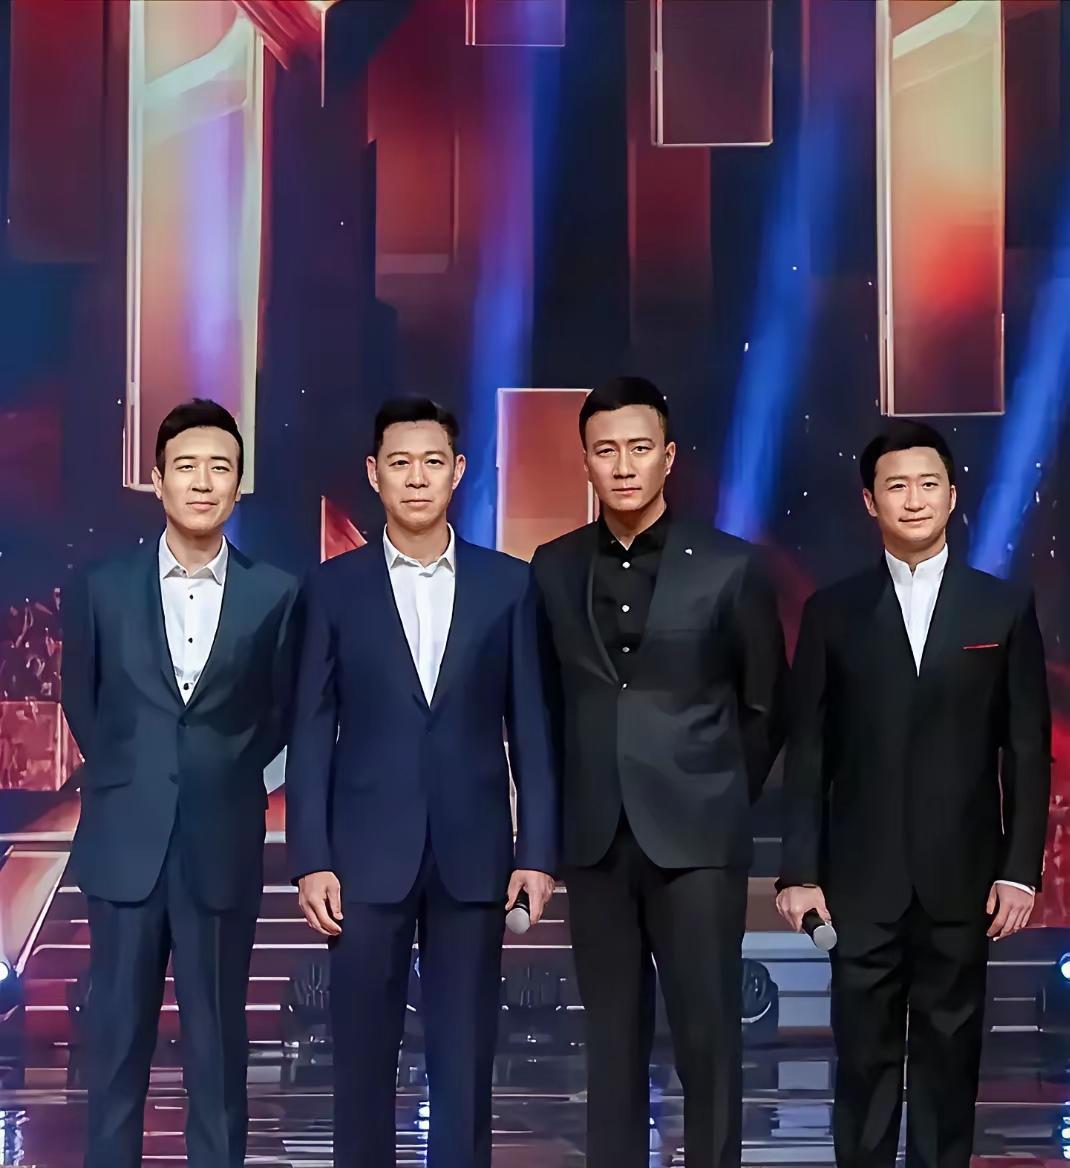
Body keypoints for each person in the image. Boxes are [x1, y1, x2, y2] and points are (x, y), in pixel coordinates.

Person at [285, 396, 557, 1168]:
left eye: (432, 462)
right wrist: (311, 857)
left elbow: (532, 728)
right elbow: (311, 728)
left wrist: (537, 853)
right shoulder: (332, 588)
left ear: (458, 471)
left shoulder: (509, 586)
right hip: (363, 855)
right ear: (374, 474)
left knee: (465, 1062)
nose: (416, 478)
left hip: (475, 853)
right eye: (400, 463)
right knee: (360, 1062)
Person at [776, 420, 1051, 1168]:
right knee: (862, 1068)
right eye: (896, 486)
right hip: (859, 882)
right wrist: (799, 870)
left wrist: (1019, 868)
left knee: (948, 1068)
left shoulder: (1001, 607)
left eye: (929, 483)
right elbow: (809, 752)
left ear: (954, 495)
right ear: (870, 501)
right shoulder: (833, 612)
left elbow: (1026, 751)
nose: (914, 498)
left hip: (963, 879)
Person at [530, 376, 788, 1168]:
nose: (623, 465)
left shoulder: (730, 566)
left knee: (708, 1041)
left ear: (669, 457)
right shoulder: (552, 566)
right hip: (596, 839)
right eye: (605, 450)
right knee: (610, 1046)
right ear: (585, 461)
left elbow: (765, 706)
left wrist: (718, 792)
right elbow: (543, 707)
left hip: (699, 842)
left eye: (639, 448)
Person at [61, 399, 302, 1168]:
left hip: (220, 843)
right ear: (158, 480)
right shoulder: (101, 586)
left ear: (239, 484)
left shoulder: (278, 594)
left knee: (218, 1054)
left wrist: (219, 773)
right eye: (187, 467)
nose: (203, 483)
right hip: (124, 845)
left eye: (220, 468)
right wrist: (135, 775)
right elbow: (83, 700)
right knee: (115, 1050)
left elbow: (281, 714)